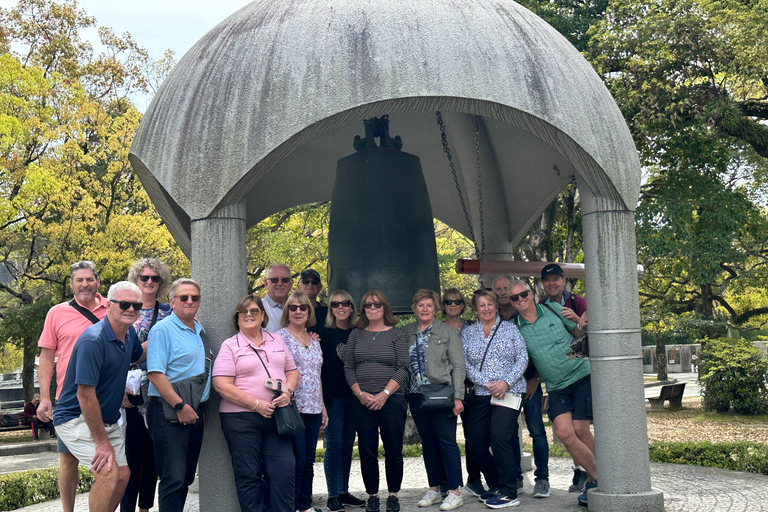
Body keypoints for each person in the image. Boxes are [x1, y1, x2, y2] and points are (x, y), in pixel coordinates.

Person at [53, 281, 147, 512]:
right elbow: (85, 396)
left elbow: (139, 355)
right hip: (75, 417)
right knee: (108, 474)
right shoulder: (92, 341)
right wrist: (102, 442)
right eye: (124, 304)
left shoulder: (129, 333)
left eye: (137, 305)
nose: (131, 309)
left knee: (123, 475)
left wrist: (169, 330)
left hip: (106, 418)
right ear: (109, 306)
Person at [509, 280, 596, 507]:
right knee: (564, 432)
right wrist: (534, 379)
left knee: (579, 428)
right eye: (514, 298)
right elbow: (522, 359)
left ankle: (592, 479)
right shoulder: (515, 327)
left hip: (580, 376)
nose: (520, 300)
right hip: (556, 386)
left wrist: (582, 323)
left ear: (531, 293)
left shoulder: (552, 309)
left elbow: (576, 333)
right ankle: (599, 476)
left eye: (523, 294)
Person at [212, 295, 299, 512]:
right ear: (237, 319)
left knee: (284, 471)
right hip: (241, 420)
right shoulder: (230, 345)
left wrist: (288, 391)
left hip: (277, 418)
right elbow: (221, 384)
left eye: (254, 311)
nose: (249, 315)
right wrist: (255, 404)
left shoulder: (277, 340)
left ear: (263, 316)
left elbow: (293, 371)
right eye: (244, 312)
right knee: (249, 475)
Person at [37, 260, 108, 512]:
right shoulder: (56, 313)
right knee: (68, 459)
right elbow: (47, 357)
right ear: (71, 284)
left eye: (89, 279)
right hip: (70, 398)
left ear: (98, 281)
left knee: (111, 459)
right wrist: (44, 397)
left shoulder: (114, 309)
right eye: (79, 280)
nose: (85, 284)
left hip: (106, 396)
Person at [146, 278, 211, 512]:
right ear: (172, 302)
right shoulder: (162, 330)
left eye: (195, 297)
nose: (190, 301)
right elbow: (155, 374)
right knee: (173, 479)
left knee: (185, 478)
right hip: (169, 411)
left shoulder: (198, 328)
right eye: (184, 297)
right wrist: (180, 405)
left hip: (193, 411)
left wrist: (193, 407)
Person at [461, 289, 528, 509]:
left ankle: (509, 491)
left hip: (509, 392)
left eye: (490, 304)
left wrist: (505, 382)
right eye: (482, 305)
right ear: (475, 309)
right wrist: (485, 382)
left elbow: (522, 358)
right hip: (481, 393)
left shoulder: (510, 329)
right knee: (476, 443)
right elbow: (464, 364)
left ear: (496, 306)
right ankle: (496, 485)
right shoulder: (468, 333)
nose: (487, 309)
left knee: (500, 437)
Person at [344, 291, 409, 512]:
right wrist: (360, 394)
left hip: (391, 400)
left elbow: (403, 368)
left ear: (385, 308)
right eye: (368, 305)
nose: (372, 308)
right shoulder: (355, 335)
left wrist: (384, 394)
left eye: (377, 304)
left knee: (393, 449)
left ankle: (393, 495)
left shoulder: (397, 334)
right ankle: (372, 495)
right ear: (362, 310)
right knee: (367, 450)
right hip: (362, 401)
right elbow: (348, 367)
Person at [402, 290, 466, 511]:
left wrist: (458, 396)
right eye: (420, 305)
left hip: (441, 393)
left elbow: (458, 366)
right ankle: (434, 488)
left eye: (429, 305)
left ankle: (455, 491)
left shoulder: (446, 331)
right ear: (414, 308)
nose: (425, 309)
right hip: (415, 394)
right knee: (428, 443)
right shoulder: (406, 332)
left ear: (436, 308)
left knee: (446, 441)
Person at [121, 258, 172, 512]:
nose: (150, 282)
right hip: (129, 393)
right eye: (145, 278)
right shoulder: (125, 309)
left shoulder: (169, 312)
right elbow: (113, 351)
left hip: (158, 391)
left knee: (153, 456)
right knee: (131, 457)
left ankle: (145, 508)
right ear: (136, 280)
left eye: (155, 278)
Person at [537, 263, 588, 492]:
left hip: (583, 371)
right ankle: (582, 471)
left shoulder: (578, 302)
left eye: (556, 279)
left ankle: (596, 470)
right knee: (566, 431)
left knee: (581, 428)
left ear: (564, 280)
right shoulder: (541, 308)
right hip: (559, 380)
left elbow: (590, 330)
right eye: (547, 280)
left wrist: (576, 319)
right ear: (542, 284)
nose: (552, 283)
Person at [278, 291, 328, 512]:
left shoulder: (314, 340)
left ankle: (305, 505)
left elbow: (317, 376)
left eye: (303, 307)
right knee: (295, 461)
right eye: (293, 307)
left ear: (309, 312)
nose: (298, 311)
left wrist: (324, 407)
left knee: (309, 460)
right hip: (293, 407)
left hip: (314, 407)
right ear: (287, 312)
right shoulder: (279, 338)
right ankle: (292, 505)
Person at [318, 290, 366, 512]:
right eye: (335, 304)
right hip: (333, 398)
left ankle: (343, 490)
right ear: (331, 309)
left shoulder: (359, 333)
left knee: (348, 446)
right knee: (334, 445)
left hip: (354, 398)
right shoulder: (323, 334)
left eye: (345, 303)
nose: (340, 307)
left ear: (351, 307)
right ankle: (332, 494)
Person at [441, 289, 483, 497]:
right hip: (442, 385)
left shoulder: (472, 327)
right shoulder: (437, 328)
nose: (453, 305)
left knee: (472, 435)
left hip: (470, 385)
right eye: (448, 301)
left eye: (457, 301)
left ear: (463, 305)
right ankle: (444, 480)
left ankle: (474, 479)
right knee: (444, 436)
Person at [263, 263, 294, 332]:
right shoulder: (258, 309)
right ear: (266, 283)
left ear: (291, 283)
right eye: (274, 280)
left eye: (285, 280)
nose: (280, 283)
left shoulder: (300, 308)